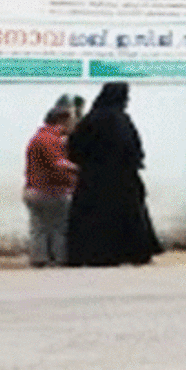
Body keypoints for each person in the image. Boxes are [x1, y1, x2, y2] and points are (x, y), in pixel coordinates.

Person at [65, 82, 163, 267]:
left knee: (92, 217)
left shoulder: (90, 120)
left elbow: (74, 148)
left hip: (93, 180)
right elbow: (134, 150)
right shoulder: (122, 120)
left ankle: (91, 255)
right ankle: (130, 253)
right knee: (126, 216)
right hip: (123, 181)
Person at [24, 106, 78, 267]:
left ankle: (39, 258)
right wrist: (80, 169)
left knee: (38, 228)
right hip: (50, 191)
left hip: (32, 190)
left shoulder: (37, 137)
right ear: (62, 121)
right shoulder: (50, 139)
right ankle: (58, 258)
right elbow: (58, 164)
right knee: (58, 227)